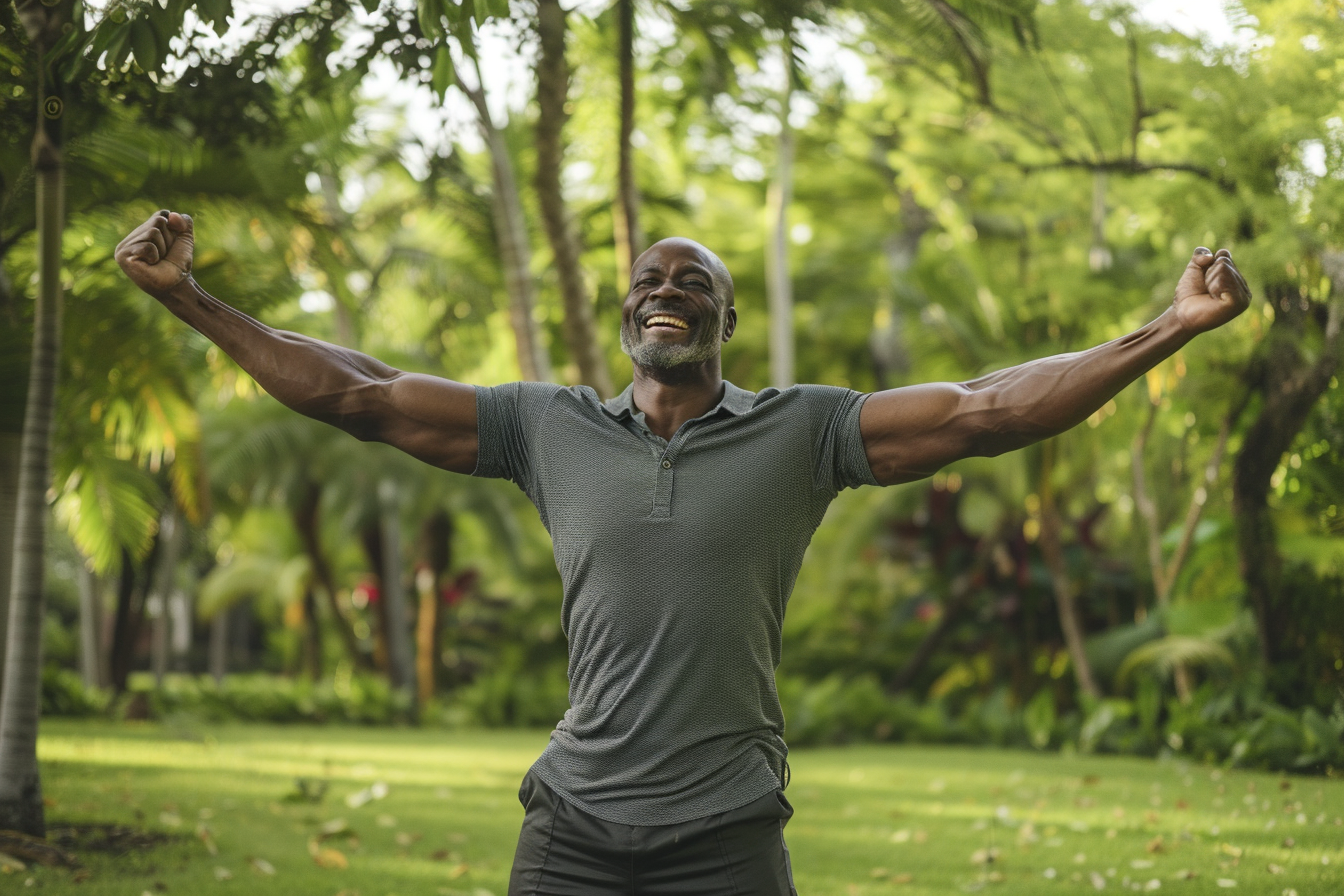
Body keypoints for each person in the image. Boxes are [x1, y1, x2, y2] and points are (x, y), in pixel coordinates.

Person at [116, 210, 1250, 895]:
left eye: (693, 280)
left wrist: (1169, 326)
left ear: (725, 319)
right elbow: (359, 393)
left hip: (728, 828)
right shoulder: (541, 425)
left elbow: (989, 407)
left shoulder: (806, 430)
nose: (667, 290)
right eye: (651, 279)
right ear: (627, 312)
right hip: (569, 825)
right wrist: (193, 298)